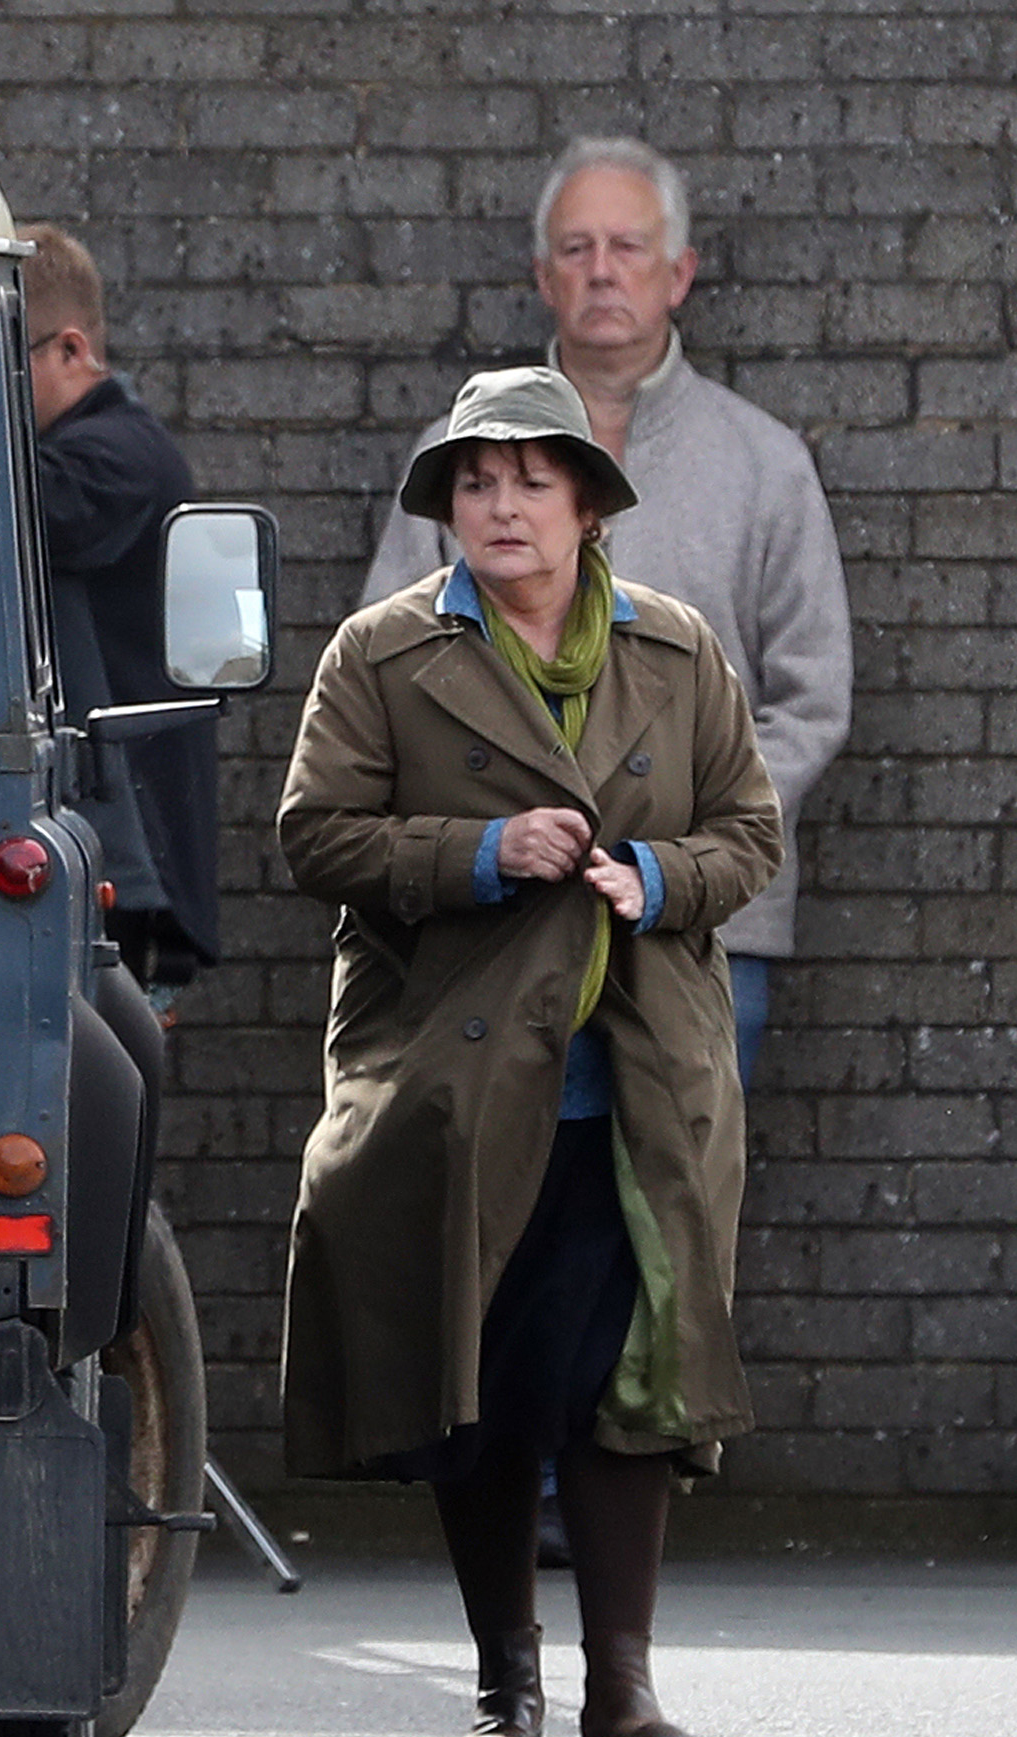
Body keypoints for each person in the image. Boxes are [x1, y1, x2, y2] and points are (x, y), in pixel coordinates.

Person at [278, 368, 783, 1737]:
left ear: (584, 505)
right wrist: (477, 857)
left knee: (629, 1378)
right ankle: (508, 1692)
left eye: (529, 480)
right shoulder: (381, 653)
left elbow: (751, 832)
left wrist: (661, 875)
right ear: (446, 506)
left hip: (634, 1082)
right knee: (485, 1382)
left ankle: (621, 1694)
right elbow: (314, 835)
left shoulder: (675, 652)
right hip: (458, 1076)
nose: (499, 506)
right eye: (473, 482)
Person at [363, 135, 853, 1091]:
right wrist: (489, 841)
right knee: (491, 1222)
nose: (601, 272)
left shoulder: (763, 464)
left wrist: (687, 843)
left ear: (679, 274)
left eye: (626, 248)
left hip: (701, 930)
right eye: (577, 250)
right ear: (543, 279)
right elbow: (388, 672)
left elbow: (812, 700)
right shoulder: (453, 461)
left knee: (671, 1224)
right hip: (488, 925)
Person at [22, 222, 215, 994]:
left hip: (125, 865)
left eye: (4, 357)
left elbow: (6, 511)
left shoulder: (117, 457)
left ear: (72, 351)